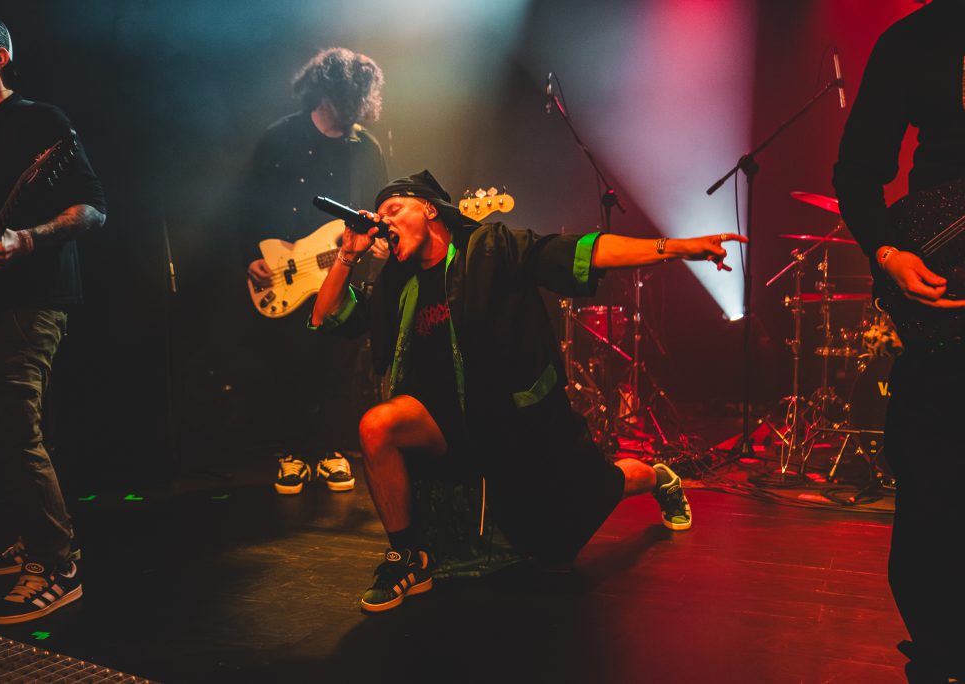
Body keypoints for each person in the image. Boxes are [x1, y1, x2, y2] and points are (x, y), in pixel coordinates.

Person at [310, 169, 746, 612]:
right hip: (438, 420)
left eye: (393, 209)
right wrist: (348, 254)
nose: (383, 221)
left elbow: (584, 251)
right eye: (379, 214)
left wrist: (677, 248)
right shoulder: (396, 281)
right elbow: (324, 317)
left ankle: (658, 477)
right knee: (377, 425)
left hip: (512, 422)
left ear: (429, 209)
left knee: (585, 509)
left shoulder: (492, 249)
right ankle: (407, 559)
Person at [0, 7, 106, 623]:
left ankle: (57, 565)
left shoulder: (41, 121)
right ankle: (33, 533)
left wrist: (27, 240)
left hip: (34, 298)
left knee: (13, 427)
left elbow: (94, 208)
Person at [833, 1, 965, 680]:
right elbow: (857, 170)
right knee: (936, 480)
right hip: (945, 287)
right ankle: (940, 650)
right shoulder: (914, 38)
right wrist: (888, 253)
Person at [235, 47, 388, 495]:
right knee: (291, 365)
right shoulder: (278, 137)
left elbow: (381, 207)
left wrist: (381, 239)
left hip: (343, 271)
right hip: (286, 271)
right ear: (325, 90)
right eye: (349, 97)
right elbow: (246, 203)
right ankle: (294, 453)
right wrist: (249, 254)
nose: (356, 108)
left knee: (339, 365)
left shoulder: (366, 147)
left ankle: (330, 451)